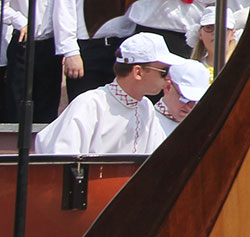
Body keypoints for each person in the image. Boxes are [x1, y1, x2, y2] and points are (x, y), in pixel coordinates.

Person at [35, 31, 175, 154]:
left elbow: (157, 159)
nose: (169, 77)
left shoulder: (146, 107)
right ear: (138, 72)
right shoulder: (90, 104)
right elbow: (61, 158)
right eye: (164, 71)